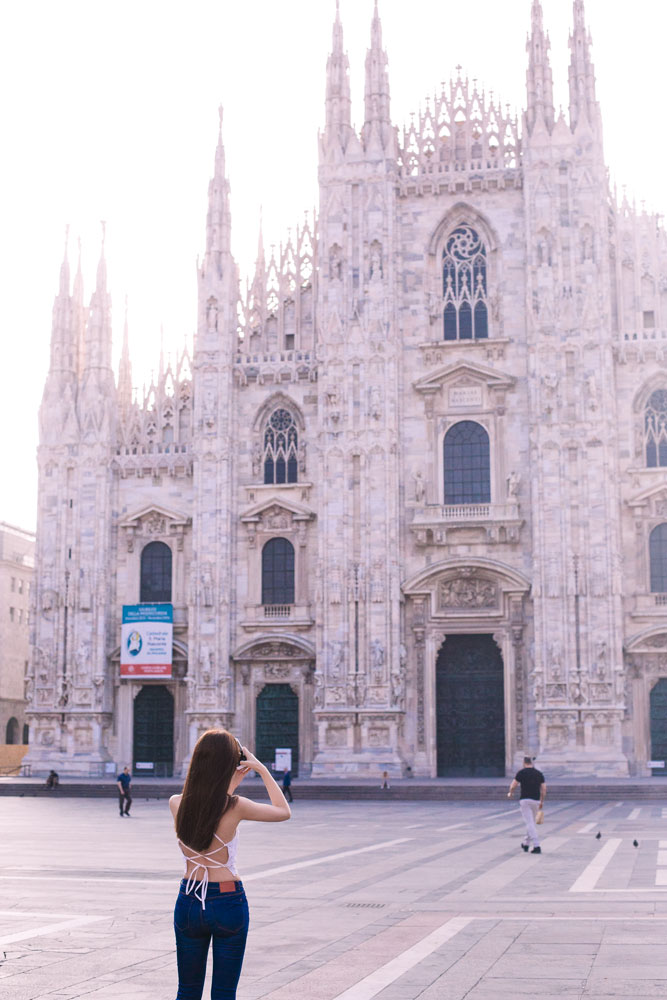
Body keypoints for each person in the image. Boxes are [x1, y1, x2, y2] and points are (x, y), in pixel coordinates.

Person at [169, 729, 290, 1000]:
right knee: (224, 993)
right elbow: (283, 812)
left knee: (186, 991)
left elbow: (208, 808)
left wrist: (227, 783)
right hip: (227, 901)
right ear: (229, 765)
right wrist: (260, 768)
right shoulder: (236, 806)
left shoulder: (176, 803)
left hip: (189, 899)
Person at [507, 755, 546, 854]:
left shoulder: (521, 773)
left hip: (525, 800)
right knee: (531, 822)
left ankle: (537, 845)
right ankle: (526, 843)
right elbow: (544, 789)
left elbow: (513, 785)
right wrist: (542, 801)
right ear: (532, 763)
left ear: (524, 762)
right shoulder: (538, 773)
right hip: (536, 801)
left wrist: (511, 793)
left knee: (530, 823)